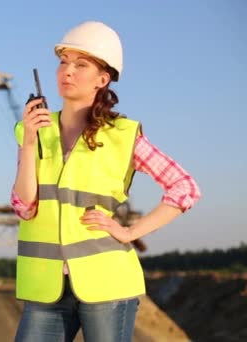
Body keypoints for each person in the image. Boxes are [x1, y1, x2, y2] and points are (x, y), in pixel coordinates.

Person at [11, 21, 201, 342]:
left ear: (103, 79)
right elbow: (24, 207)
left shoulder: (123, 136)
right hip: (45, 286)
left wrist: (129, 232)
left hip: (107, 285)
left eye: (80, 64)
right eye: (63, 62)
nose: (67, 72)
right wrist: (29, 142)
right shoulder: (30, 130)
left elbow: (184, 188)